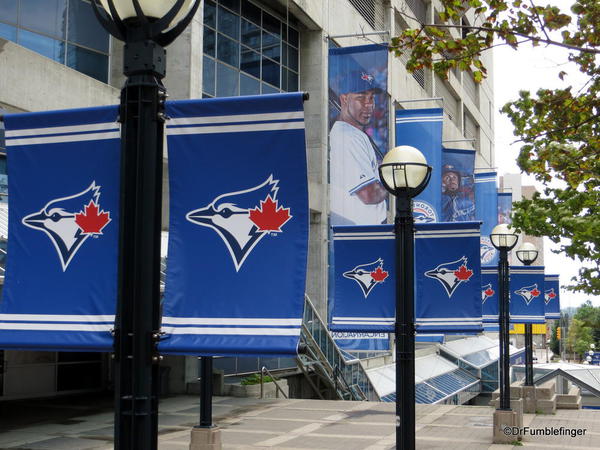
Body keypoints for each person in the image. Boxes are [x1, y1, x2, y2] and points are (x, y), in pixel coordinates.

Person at [329, 70, 388, 225]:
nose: (368, 104)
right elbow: (369, 195)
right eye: (361, 97)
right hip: (359, 230)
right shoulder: (348, 137)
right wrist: (393, 182)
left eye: (371, 98)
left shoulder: (354, 134)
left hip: (363, 228)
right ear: (344, 99)